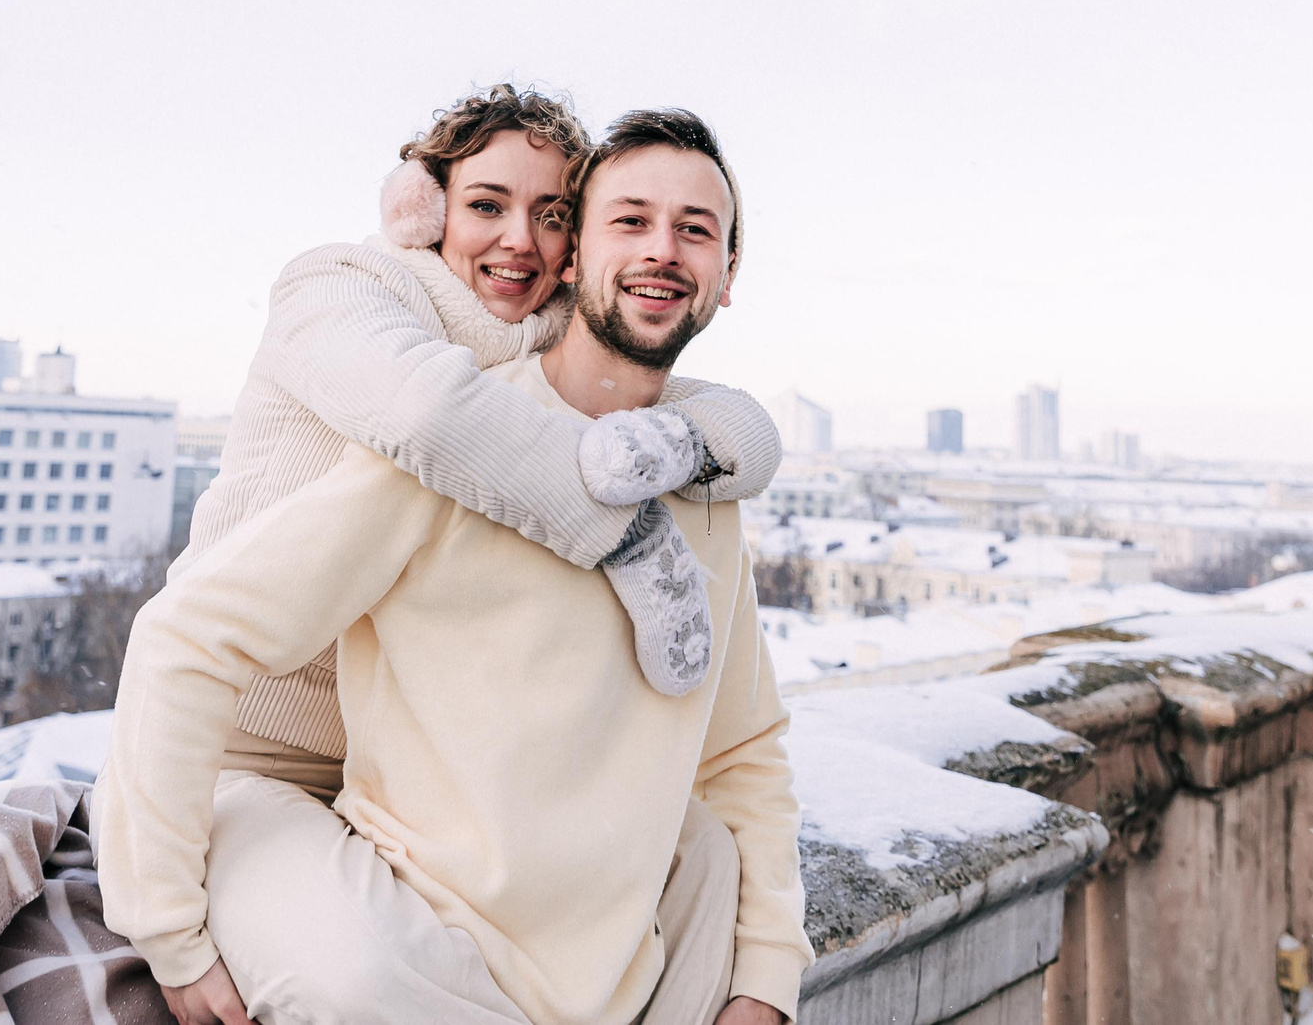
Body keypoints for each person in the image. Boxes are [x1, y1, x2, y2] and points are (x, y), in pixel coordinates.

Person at [101, 110, 808, 1025]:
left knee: (707, 852)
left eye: (695, 229)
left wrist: (766, 978)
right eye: (629, 219)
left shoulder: (701, 467)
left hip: (472, 845)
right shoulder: (417, 390)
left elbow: (744, 748)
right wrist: (166, 927)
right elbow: (190, 634)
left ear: (727, 274)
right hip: (260, 767)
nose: (663, 250)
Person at [180, 85, 785, 805]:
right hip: (237, 732)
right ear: (423, 210)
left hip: (390, 769)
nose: (520, 239)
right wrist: (631, 537)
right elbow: (427, 412)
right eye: (486, 205)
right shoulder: (338, 287)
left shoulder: (544, 330)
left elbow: (717, 411)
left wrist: (690, 441)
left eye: (553, 215)